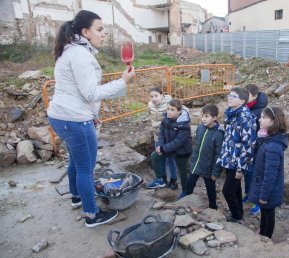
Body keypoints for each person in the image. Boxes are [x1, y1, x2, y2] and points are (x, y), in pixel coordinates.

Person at [47, 10, 135, 227]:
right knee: (86, 168)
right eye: (99, 29)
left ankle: (77, 197)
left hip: (62, 116)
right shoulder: (80, 55)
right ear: (85, 32)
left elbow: (80, 93)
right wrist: (123, 81)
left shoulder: (71, 51)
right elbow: (91, 93)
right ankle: (91, 215)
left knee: (77, 161)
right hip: (74, 119)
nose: (104, 34)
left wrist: (93, 115)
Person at [217, 87, 256, 223]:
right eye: (229, 95)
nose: (229, 98)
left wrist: (241, 168)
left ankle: (236, 216)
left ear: (242, 101)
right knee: (236, 189)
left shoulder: (245, 118)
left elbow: (248, 145)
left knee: (227, 191)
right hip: (230, 158)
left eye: (234, 96)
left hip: (237, 161)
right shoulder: (232, 113)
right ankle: (238, 214)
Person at [248, 106, 288, 239]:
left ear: (273, 121)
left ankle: (267, 236)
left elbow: (270, 175)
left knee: (268, 213)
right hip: (266, 188)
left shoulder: (273, 146)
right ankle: (262, 232)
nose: (259, 120)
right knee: (265, 211)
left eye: (263, 117)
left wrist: (264, 195)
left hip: (269, 190)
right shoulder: (267, 139)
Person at [147, 99, 192, 200]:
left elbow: (178, 142)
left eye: (172, 109)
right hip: (168, 149)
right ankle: (160, 179)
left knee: (183, 173)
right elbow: (161, 134)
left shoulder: (184, 123)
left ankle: (186, 192)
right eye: (168, 109)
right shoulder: (165, 119)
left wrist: (163, 148)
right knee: (155, 156)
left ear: (179, 111)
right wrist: (159, 145)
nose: (169, 111)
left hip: (182, 152)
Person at [185, 104, 224, 209]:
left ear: (215, 118)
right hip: (196, 164)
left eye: (207, 116)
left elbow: (219, 154)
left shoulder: (218, 133)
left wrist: (216, 172)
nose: (203, 119)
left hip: (208, 168)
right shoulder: (200, 127)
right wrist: (193, 161)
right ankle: (185, 203)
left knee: (210, 188)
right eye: (202, 116)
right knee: (189, 184)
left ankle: (213, 207)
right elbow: (197, 146)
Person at [243, 84, 268, 216]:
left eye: (248, 95)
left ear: (255, 96)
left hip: (258, 147)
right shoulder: (247, 107)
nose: (245, 98)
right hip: (248, 146)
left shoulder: (260, 111)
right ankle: (248, 194)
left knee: (256, 173)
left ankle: (256, 201)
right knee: (247, 171)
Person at [147, 86, 178, 189]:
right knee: (160, 159)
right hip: (158, 137)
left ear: (162, 95)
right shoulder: (150, 105)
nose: (154, 98)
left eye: (156, 95)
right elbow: (150, 116)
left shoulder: (169, 104)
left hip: (169, 139)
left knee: (170, 160)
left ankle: (173, 181)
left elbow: (180, 113)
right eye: (151, 96)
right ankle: (162, 179)